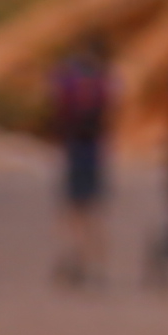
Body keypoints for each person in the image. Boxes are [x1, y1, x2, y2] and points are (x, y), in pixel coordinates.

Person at [47, 30, 118, 288]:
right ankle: (98, 265)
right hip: (95, 149)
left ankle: (76, 259)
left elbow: (55, 107)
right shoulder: (105, 78)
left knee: (73, 209)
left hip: (74, 147)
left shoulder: (65, 77)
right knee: (95, 209)